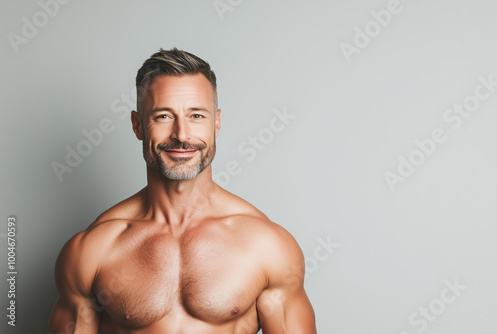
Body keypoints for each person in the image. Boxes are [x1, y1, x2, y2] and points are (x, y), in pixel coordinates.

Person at [48, 48, 317, 333]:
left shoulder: (265, 245)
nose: (182, 135)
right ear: (138, 125)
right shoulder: (95, 248)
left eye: (197, 116)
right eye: (163, 116)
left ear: (217, 123)